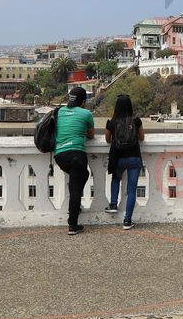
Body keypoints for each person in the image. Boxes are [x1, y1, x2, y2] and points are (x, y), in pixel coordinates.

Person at [54, 87, 95, 235]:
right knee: (76, 189)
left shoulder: (59, 112)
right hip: (77, 155)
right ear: (83, 101)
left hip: (60, 156)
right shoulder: (86, 113)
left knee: (82, 176)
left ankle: (74, 206)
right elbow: (91, 135)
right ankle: (73, 225)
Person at [105, 94, 144, 230]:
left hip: (118, 158)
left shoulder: (112, 121)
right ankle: (127, 221)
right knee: (131, 190)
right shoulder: (136, 121)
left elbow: (107, 139)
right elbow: (142, 138)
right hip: (134, 158)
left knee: (116, 179)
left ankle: (113, 204)